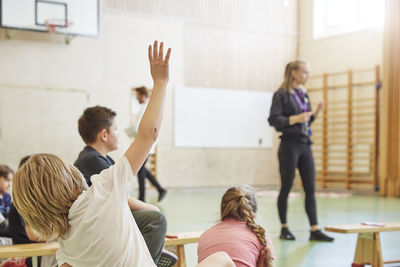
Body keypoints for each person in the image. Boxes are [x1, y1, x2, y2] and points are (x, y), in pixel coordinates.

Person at [12, 40, 172, 267]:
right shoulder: (104, 189)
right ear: (67, 176)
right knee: (220, 259)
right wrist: (161, 83)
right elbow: (148, 134)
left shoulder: (66, 246)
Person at [268, 60, 334, 242]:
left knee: (310, 188)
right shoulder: (281, 95)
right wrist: (296, 118)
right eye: (305, 72)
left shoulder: (302, 94)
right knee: (287, 187)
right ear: (294, 73)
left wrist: (315, 113)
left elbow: (305, 122)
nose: (308, 76)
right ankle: (284, 228)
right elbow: (273, 120)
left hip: (305, 144)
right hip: (289, 145)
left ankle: (314, 229)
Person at [198, 185, 274, 267]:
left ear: (222, 212)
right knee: (222, 258)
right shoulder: (261, 237)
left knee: (221, 258)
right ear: (253, 214)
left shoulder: (205, 235)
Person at [8, 155, 57, 267]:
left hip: (37, 250)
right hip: (27, 253)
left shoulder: (36, 200)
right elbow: (34, 236)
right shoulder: (23, 201)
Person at [132, 86, 167, 202]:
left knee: (140, 170)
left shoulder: (145, 108)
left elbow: (138, 128)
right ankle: (159, 189)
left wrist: (130, 131)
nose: (137, 99)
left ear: (142, 95)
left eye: (137, 96)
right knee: (142, 169)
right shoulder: (146, 108)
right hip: (146, 144)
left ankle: (142, 198)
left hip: (145, 145)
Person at [0, 164, 13, 237]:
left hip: (6, 235)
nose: (9, 184)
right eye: (7, 180)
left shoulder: (7, 197)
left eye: (11, 181)